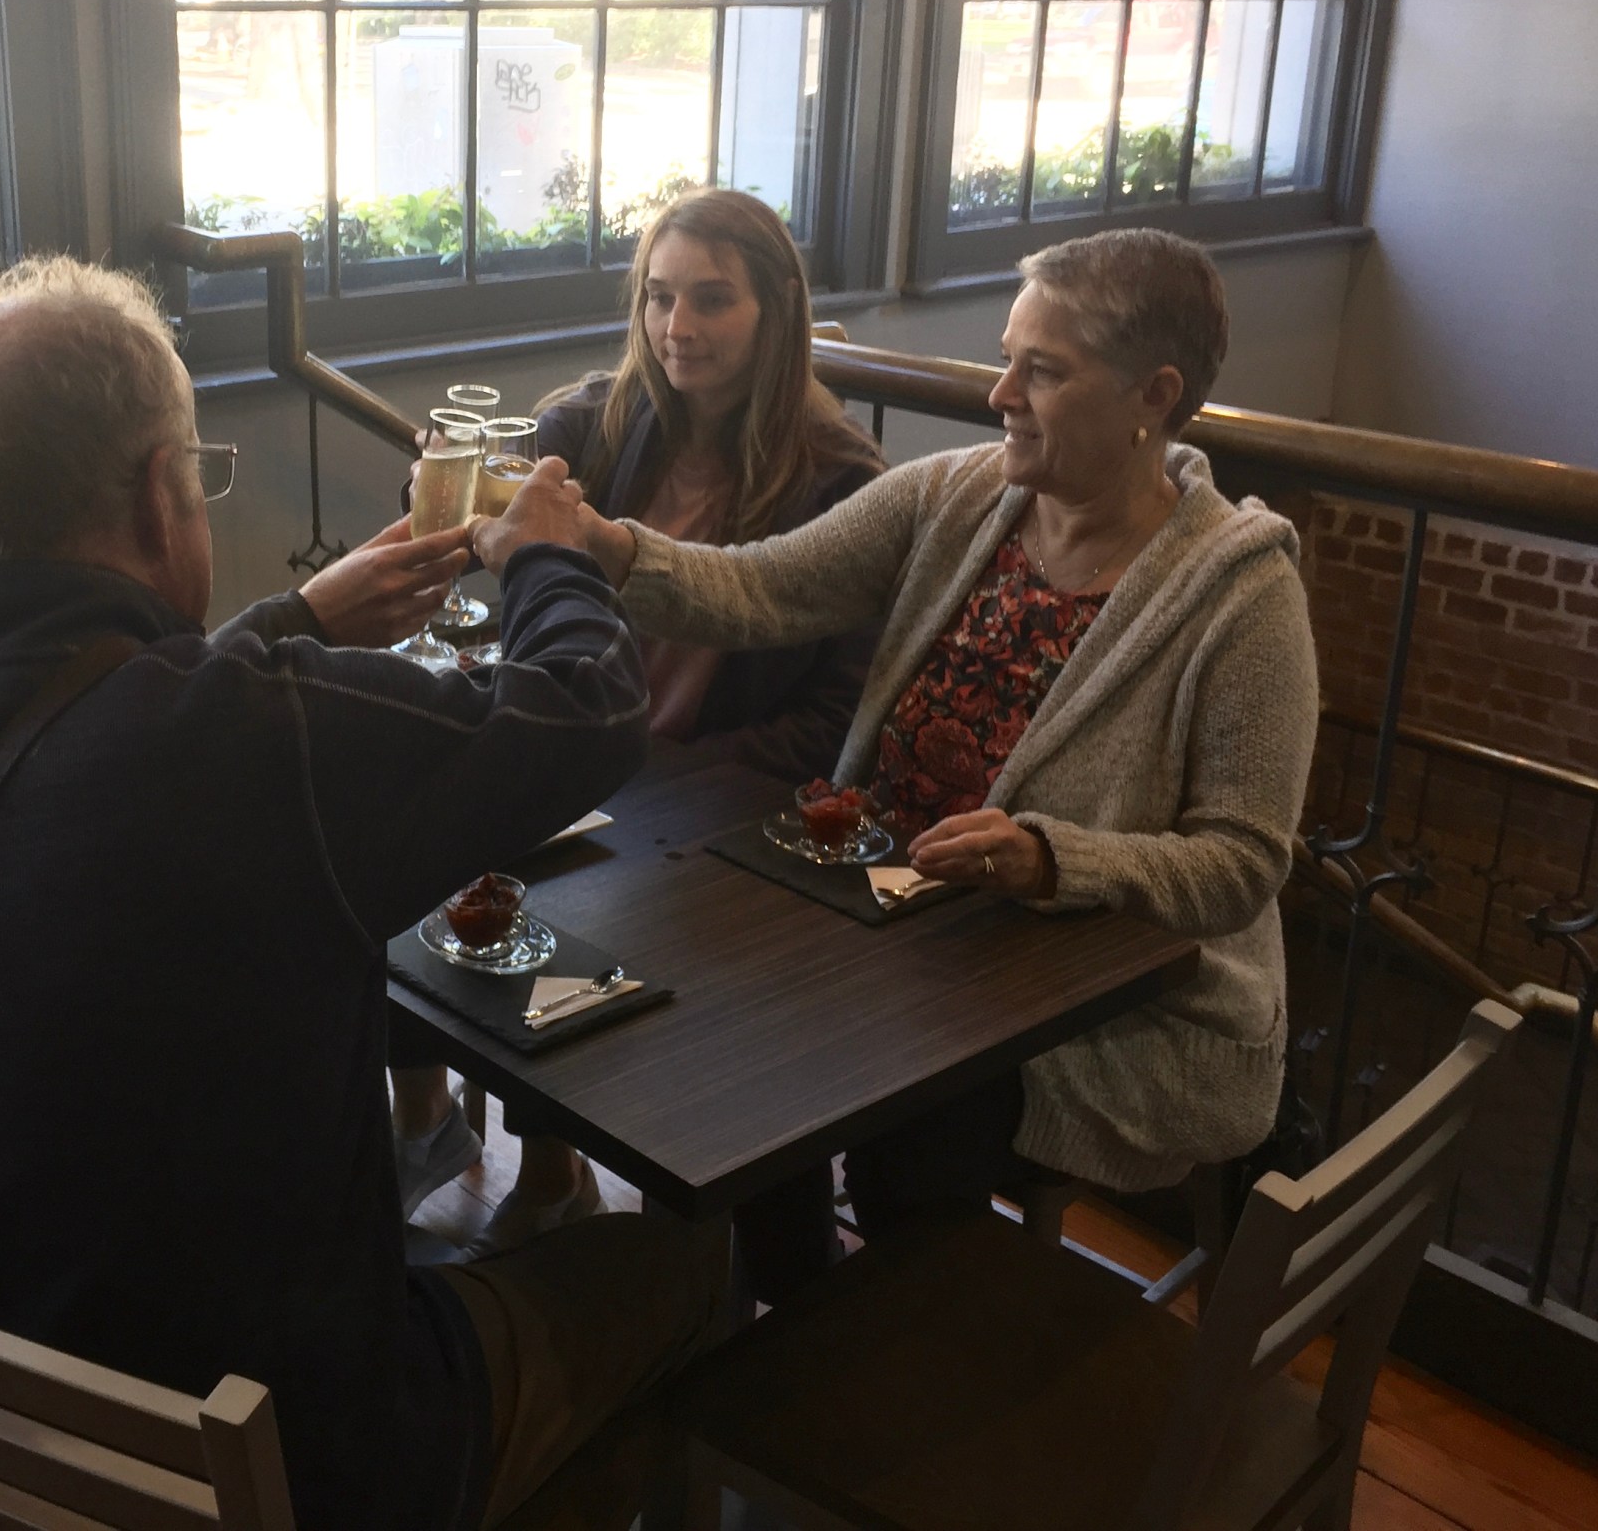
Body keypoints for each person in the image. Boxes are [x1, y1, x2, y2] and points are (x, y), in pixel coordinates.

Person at [0, 255, 727, 1531]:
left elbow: (74, 746)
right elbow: (590, 713)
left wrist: (288, 625)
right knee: (690, 1260)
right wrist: (551, 563)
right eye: (200, 476)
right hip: (281, 1462)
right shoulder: (259, 749)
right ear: (164, 496)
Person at [500, 226, 1316, 1290]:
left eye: (1044, 370)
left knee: (903, 1152)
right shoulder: (962, 494)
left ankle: (885, 1382)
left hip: (1098, 1002)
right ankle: (787, 1330)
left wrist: (1055, 858)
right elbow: (765, 587)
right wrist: (614, 549)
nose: (1001, 394)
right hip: (890, 922)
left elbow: (1244, 861)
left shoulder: (1242, 594)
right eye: (1008, 357)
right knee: (721, 1055)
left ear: (1153, 396)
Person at [391, 187, 886, 1256]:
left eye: (713, 301)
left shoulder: (843, 482)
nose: (678, 328)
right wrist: (443, 477)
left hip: (719, 802)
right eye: (660, 297)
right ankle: (496, 1144)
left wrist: (661, 769)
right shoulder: (605, 422)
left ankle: (705, 1256)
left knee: (539, 872)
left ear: (778, 312)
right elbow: (504, 486)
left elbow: (839, 724)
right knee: (408, 813)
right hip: (604, 775)